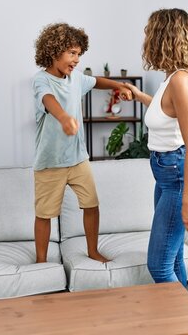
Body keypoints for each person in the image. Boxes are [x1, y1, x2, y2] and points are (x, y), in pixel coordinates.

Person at [32, 22, 132, 263]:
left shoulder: (76, 78)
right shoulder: (41, 80)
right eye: (72, 53)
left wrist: (119, 85)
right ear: (54, 51)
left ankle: (93, 251)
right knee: (45, 214)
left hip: (78, 158)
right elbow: (48, 100)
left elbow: (96, 81)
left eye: (79, 54)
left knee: (91, 205)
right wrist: (64, 117)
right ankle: (41, 260)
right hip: (50, 162)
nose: (77, 59)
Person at [124, 9, 188, 286]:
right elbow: (167, 113)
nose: (147, 38)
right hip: (167, 173)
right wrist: (140, 97)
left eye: (150, 33)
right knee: (172, 260)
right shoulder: (173, 78)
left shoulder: (181, 81)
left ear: (163, 37)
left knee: (158, 266)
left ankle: (185, 324)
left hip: (178, 175)